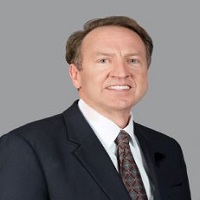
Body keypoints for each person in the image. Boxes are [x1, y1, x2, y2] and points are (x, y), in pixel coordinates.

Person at [0, 16, 191, 200]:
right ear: (76, 75)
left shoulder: (168, 148)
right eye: (103, 60)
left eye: (133, 60)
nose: (121, 73)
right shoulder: (26, 147)